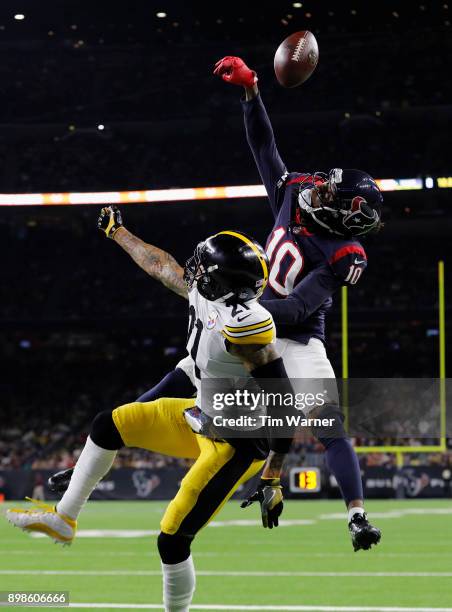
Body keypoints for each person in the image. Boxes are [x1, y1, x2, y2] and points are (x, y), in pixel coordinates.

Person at [48, 56, 383, 551]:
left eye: (331, 195)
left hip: (292, 336)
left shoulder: (344, 254)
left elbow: (297, 309)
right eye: (325, 187)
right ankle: (86, 464)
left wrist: (236, 313)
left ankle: (356, 515)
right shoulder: (294, 197)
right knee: (182, 374)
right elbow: (264, 147)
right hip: (251, 313)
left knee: (328, 422)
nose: (319, 191)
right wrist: (251, 92)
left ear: (347, 222)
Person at [7, 222, 296, 612]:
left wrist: (273, 477)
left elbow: (283, 403)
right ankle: (63, 520)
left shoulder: (244, 326)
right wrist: (118, 232)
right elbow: (159, 265)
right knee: (109, 425)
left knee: (172, 539)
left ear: (222, 283)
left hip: (236, 443)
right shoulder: (209, 292)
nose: (192, 270)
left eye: (202, 267)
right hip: (201, 413)